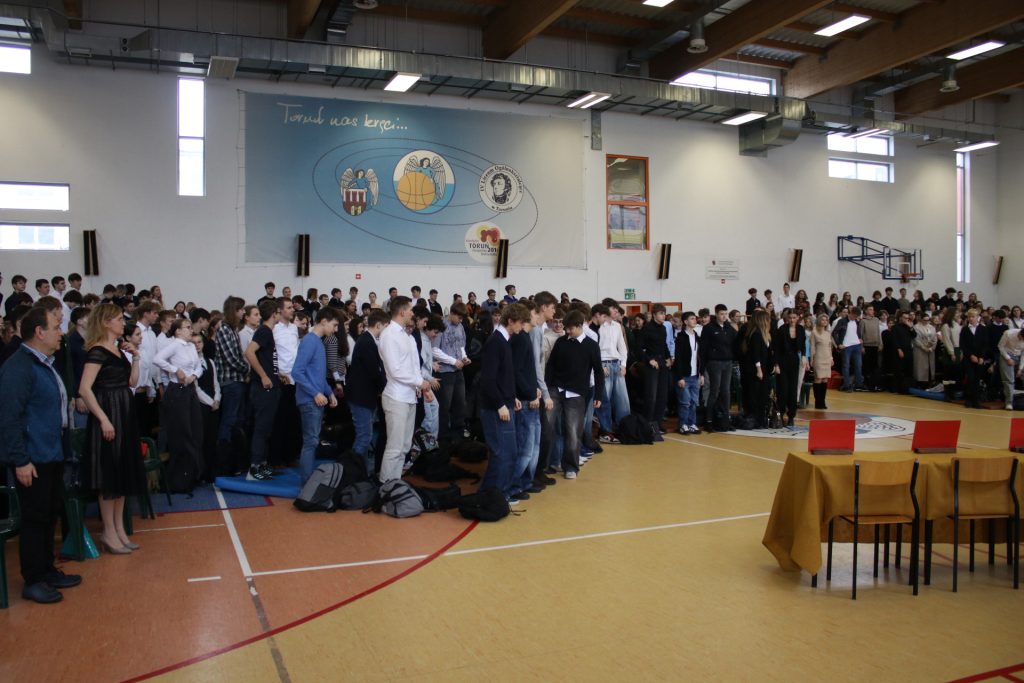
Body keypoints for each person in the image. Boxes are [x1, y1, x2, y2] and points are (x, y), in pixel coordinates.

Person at [0, 307, 79, 603]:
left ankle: (47, 570)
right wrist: (20, 460)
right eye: (56, 328)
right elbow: (9, 417)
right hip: (32, 457)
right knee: (35, 518)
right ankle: (33, 579)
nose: (61, 333)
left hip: (51, 452)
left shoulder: (43, 363)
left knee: (48, 514)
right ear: (39, 332)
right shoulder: (19, 367)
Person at [78, 303, 145, 555]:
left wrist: (135, 357)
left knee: (122, 472)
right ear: (106, 323)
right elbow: (85, 389)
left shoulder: (118, 350)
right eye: (118, 319)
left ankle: (119, 528)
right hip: (108, 413)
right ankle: (108, 530)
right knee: (109, 475)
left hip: (124, 413)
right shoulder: (97, 351)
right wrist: (103, 419)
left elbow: (132, 382)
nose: (122, 323)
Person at [378, 297, 434, 483]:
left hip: (410, 396)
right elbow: (395, 370)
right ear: (402, 312)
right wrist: (419, 382)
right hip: (396, 397)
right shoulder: (389, 335)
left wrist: (422, 387)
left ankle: (395, 483)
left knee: (404, 446)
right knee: (394, 447)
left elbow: (414, 367)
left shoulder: (407, 336)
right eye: (410, 310)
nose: (412, 313)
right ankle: (385, 485)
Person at [545, 309, 603, 480]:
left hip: (577, 393)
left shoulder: (591, 345)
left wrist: (598, 395)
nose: (567, 331)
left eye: (570, 328)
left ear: (579, 326)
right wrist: (547, 388)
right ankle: (546, 464)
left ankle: (570, 466)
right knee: (548, 428)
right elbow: (551, 366)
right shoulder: (561, 342)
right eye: (566, 328)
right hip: (556, 390)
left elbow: (598, 372)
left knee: (572, 432)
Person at [154, 318, 205, 488]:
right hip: (177, 391)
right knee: (182, 433)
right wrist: (176, 370)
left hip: (190, 390)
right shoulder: (174, 345)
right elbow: (157, 359)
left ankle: (193, 474)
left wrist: (193, 376)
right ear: (178, 331)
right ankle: (178, 479)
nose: (191, 330)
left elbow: (198, 366)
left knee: (195, 430)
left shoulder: (190, 346)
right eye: (187, 327)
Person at [292, 307, 339, 483]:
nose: (335, 329)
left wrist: (329, 392)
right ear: (324, 321)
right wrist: (315, 393)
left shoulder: (317, 342)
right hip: (309, 400)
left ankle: (307, 481)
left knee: (313, 440)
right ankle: (306, 483)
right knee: (311, 441)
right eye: (334, 325)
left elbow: (317, 374)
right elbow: (297, 372)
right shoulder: (310, 342)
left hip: (315, 399)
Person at [244, 299, 282, 481]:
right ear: (274, 314)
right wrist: (264, 376)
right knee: (261, 427)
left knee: (267, 428)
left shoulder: (268, 332)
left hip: (271, 385)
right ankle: (254, 466)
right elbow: (249, 352)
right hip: (262, 388)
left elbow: (266, 358)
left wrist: (276, 373)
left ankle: (263, 463)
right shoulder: (263, 331)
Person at [347, 309, 389, 475]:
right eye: (385, 327)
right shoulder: (366, 342)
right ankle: (353, 473)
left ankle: (360, 472)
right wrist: (385, 387)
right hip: (361, 397)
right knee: (364, 437)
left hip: (364, 396)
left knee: (365, 436)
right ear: (378, 325)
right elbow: (374, 371)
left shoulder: (368, 340)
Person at [432, 302, 471, 446]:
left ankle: (458, 436)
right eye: (459, 318)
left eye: (462, 319)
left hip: (458, 370)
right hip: (445, 371)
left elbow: (461, 346)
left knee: (460, 404)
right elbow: (435, 350)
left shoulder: (460, 327)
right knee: (444, 406)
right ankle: (443, 438)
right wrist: (453, 361)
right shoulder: (441, 325)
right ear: (452, 314)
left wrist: (464, 357)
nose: (460, 321)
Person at [700, 304, 737, 431]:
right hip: (714, 363)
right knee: (714, 391)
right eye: (722, 314)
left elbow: (736, 341)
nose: (724, 316)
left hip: (728, 362)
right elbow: (703, 348)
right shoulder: (709, 328)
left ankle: (725, 420)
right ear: (716, 314)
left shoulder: (728, 327)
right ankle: (709, 420)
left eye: (726, 314)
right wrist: (702, 368)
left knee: (726, 391)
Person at [597, 302, 630, 441]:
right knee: (605, 400)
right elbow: (595, 348)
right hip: (604, 364)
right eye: (613, 308)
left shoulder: (617, 326)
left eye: (617, 309)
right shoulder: (599, 326)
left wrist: (623, 364)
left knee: (623, 400)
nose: (616, 311)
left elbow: (622, 347)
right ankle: (606, 431)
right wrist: (599, 365)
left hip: (617, 364)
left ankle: (625, 429)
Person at [636, 304, 670, 438]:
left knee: (662, 395)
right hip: (651, 364)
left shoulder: (663, 328)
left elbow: (664, 345)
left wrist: (668, 358)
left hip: (662, 363)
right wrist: (649, 359)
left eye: (664, 313)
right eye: (661, 313)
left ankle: (657, 422)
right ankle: (648, 423)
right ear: (654, 315)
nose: (663, 316)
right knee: (652, 396)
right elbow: (638, 348)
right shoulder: (647, 328)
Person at [740, 310, 773, 427]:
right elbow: (756, 354)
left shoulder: (765, 334)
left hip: (764, 368)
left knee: (763, 394)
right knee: (755, 394)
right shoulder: (756, 334)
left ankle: (761, 418)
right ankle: (754, 418)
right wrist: (759, 370)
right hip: (756, 370)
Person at [673, 311, 703, 434]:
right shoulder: (680, 337)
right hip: (684, 375)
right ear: (685, 322)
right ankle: (683, 424)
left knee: (693, 402)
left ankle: (692, 423)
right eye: (692, 318)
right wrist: (679, 377)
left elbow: (699, 356)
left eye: (695, 318)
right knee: (684, 402)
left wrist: (701, 374)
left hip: (695, 375)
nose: (695, 320)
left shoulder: (696, 336)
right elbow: (678, 358)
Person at [832, 306, 866, 391]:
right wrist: (838, 344)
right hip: (846, 346)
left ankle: (859, 384)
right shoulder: (842, 321)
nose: (855, 318)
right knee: (846, 365)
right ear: (851, 313)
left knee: (858, 365)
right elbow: (834, 332)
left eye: (857, 316)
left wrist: (860, 339)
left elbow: (857, 332)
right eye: (854, 316)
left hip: (856, 345)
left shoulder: (856, 321)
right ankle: (846, 385)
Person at [960, 309, 988, 409]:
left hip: (980, 358)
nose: (971, 319)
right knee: (970, 378)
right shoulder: (965, 329)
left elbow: (985, 344)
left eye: (973, 317)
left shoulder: (983, 329)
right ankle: (968, 399)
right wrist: (971, 355)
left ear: (977, 317)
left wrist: (982, 357)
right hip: (969, 358)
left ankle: (976, 400)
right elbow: (962, 345)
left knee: (977, 379)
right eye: (969, 317)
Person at [859, 304, 884, 391]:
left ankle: (874, 384)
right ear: (866, 311)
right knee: (867, 366)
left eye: (872, 309)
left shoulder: (876, 320)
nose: (872, 311)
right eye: (870, 309)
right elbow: (860, 334)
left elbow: (878, 332)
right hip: (867, 345)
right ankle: (867, 384)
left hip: (875, 345)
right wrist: (862, 346)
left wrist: (880, 343)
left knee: (875, 366)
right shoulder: (863, 321)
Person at [997, 328, 1024, 410]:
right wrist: (1008, 358)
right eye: (1021, 338)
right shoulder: (1008, 333)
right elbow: (1000, 346)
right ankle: (1009, 402)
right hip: (1007, 354)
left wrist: (1020, 368)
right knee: (1009, 380)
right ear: (1019, 334)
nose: (1021, 340)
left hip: (1019, 355)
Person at [890, 310, 916, 394]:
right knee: (899, 370)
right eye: (905, 318)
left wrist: (911, 327)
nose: (906, 319)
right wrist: (899, 349)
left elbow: (914, 335)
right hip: (899, 350)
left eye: (907, 318)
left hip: (908, 350)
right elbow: (894, 339)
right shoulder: (895, 327)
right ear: (900, 318)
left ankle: (908, 388)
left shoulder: (908, 327)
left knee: (909, 369)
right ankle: (899, 388)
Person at [912, 312, 938, 388]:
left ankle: (930, 381)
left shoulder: (932, 327)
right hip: (920, 350)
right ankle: (921, 383)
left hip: (930, 349)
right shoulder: (916, 327)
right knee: (921, 367)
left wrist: (932, 347)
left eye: (928, 320)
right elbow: (916, 339)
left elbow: (935, 338)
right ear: (921, 320)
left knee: (930, 366)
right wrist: (924, 347)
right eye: (925, 320)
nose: (926, 321)